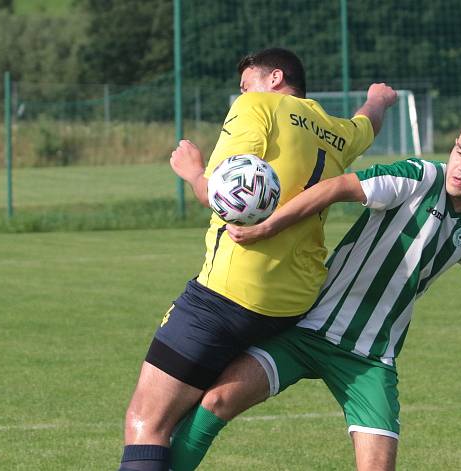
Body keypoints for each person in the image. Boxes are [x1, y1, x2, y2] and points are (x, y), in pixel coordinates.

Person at [167, 111, 461, 470]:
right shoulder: (416, 177)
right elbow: (336, 188)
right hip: (308, 328)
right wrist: (270, 224)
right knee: (217, 401)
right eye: (459, 152)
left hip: (370, 355)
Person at [118, 47, 397, 471]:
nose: (241, 92)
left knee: (146, 421)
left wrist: (192, 171)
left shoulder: (257, 106)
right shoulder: (337, 131)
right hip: (292, 306)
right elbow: (367, 124)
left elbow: (224, 196)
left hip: (229, 294)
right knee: (193, 414)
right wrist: (379, 97)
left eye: (245, 83)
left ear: (275, 78)